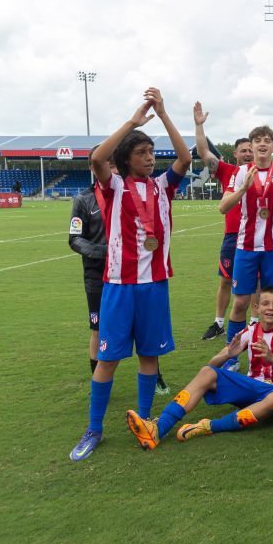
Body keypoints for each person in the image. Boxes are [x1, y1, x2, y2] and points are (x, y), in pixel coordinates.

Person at [69, 88, 192, 461]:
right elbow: (97, 157)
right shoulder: (115, 185)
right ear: (126, 158)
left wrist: (165, 114)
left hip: (154, 285)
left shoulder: (162, 186)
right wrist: (132, 123)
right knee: (107, 360)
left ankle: (147, 421)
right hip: (119, 286)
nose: (150, 157)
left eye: (151, 152)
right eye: (141, 152)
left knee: (149, 359)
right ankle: (94, 429)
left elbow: (185, 157)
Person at [125, 286, 273, 449]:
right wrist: (228, 355)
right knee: (206, 372)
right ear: (256, 308)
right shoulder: (250, 331)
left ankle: (209, 426)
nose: (270, 308)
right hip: (251, 388)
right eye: (265, 303)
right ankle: (158, 429)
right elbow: (211, 366)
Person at [217, 116, 273, 371]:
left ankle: (272, 352)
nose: (262, 144)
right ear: (252, 146)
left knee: (271, 304)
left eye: (268, 140)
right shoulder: (241, 172)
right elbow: (223, 207)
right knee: (241, 303)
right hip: (245, 248)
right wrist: (243, 189)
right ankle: (233, 358)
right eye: (257, 140)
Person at [196, 127, 254, 340]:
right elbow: (203, 151)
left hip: (255, 235)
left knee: (256, 283)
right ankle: (219, 323)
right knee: (226, 280)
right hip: (232, 235)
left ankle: (255, 323)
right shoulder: (226, 170)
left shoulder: (263, 171)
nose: (248, 153)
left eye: (250, 150)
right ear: (235, 154)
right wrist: (199, 125)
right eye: (243, 150)